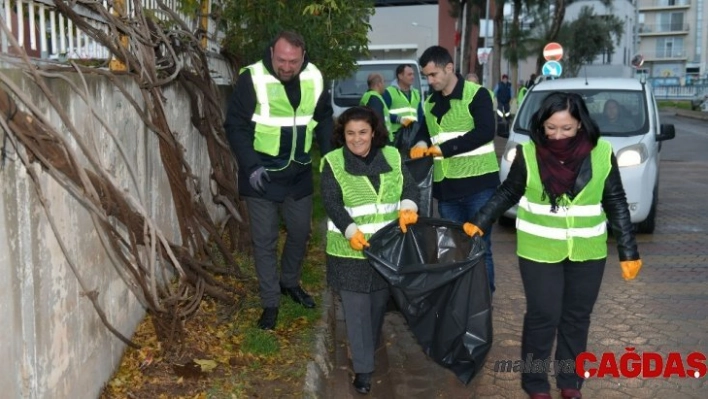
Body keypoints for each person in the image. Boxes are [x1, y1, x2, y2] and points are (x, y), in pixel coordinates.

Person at [463, 92, 642, 399]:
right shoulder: (529, 153)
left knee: (576, 317)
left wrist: (628, 250)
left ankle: (570, 381)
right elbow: (508, 192)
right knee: (542, 315)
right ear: (541, 124)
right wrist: (479, 221)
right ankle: (535, 383)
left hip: (588, 251)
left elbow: (615, 200)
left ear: (581, 125)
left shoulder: (601, 153)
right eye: (551, 128)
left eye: (567, 129)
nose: (557, 135)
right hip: (538, 251)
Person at [224, 31, 333, 330]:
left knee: (300, 233)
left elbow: (324, 117)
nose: (286, 67)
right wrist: (251, 166)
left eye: (293, 62)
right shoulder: (253, 78)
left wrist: (331, 157)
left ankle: (289, 283)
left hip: (298, 172)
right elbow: (235, 125)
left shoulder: (313, 77)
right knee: (265, 240)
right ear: (272, 52)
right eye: (282, 60)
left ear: (303, 56)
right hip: (261, 174)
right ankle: (270, 302)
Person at [320, 106, 420, 395]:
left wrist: (408, 209)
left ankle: (363, 348)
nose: (357, 139)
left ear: (373, 132)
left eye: (362, 132)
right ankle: (363, 370)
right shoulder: (333, 162)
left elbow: (410, 189)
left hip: (385, 251)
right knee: (357, 311)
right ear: (343, 135)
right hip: (349, 251)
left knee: (376, 307)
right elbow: (332, 203)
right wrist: (351, 231)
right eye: (350, 133)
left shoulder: (391, 156)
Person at [410, 45, 500, 294]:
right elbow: (426, 130)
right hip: (447, 190)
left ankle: (483, 303)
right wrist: (420, 142)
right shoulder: (429, 102)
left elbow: (484, 131)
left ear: (449, 68)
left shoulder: (476, 94)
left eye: (433, 74)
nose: (430, 80)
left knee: (480, 247)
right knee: (453, 250)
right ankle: (462, 301)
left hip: (479, 186)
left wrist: (444, 148)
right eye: (426, 75)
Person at [382, 64, 423, 138]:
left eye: (413, 74)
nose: (413, 77)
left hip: (413, 136)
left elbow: (420, 115)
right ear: (400, 76)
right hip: (396, 136)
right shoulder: (389, 92)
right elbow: (383, 113)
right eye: (409, 75)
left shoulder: (416, 93)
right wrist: (399, 119)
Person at [359, 73, 392, 137]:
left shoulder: (368, 95)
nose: (385, 85)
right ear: (379, 84)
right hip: (381, 140)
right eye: (383, 82)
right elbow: (377, 122)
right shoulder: (375, 98)